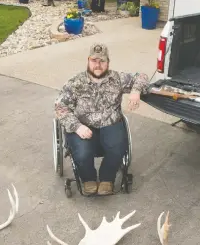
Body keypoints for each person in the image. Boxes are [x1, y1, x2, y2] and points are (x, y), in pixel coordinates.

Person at [54, 42, 150, 196]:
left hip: (110, 122)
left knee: (118, 148)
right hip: (82, 125)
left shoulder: (117, 78)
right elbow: (60, 107)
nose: (97, 65)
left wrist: (136, 91)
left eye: (102, 61)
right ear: (88, 61)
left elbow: (142, 76)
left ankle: (107, 178)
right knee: (82, 153)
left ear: (108, 63)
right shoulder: (75, 82)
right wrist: (77, 126)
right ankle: (88, 179)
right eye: (94, 61)